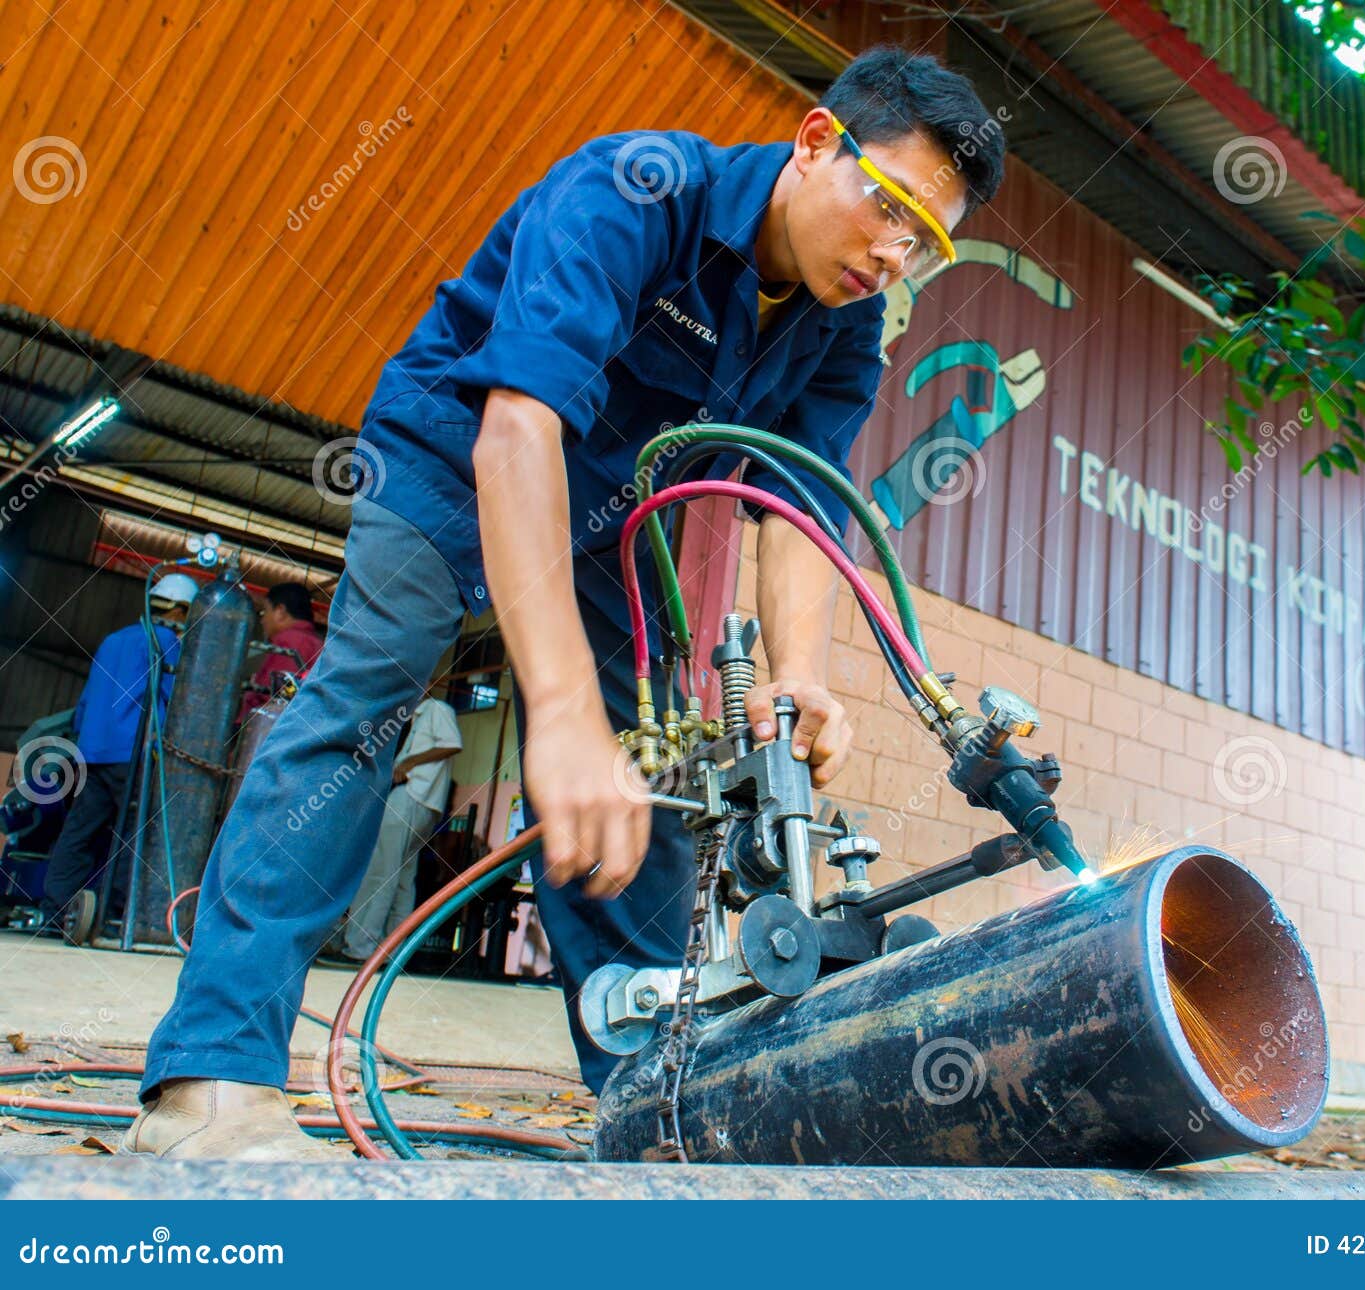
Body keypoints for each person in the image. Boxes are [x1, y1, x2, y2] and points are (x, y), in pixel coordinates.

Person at [122, 46, 1005, 1160]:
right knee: (369, 699)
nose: (893, 253)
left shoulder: (844, 329)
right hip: (453, 456)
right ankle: (210, 1077)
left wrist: (798, 678)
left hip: (607, 522)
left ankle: (661, 1110)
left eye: (924, 241)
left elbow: (792, 507)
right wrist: (559, 712)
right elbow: (517, 431)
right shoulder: (636, 189)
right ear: (817, 141)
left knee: (645, 772)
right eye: (888, 208)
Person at [39, 572, 198, 940]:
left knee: (78, 833)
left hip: (92, 753)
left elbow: (85, 703)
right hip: (133, 755)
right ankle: (114, 916)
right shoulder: (164, 644)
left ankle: (55, 914)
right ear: (177, 609)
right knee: (134, 837)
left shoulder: (114, 640)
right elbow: (177, 704)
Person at [328, 694, 462, 964]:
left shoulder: (436, 709)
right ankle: (393, 950)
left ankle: (361, 947)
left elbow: (451, 744)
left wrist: (407, 764)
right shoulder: (415, 718)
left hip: (412, 796)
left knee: (380, 873)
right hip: (423, 802)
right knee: (402, 879)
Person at [240, 582, 324, 718]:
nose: (262, 620)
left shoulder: (291, 641)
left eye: (265, 611)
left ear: (280, 611)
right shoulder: (315, 643)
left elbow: (281, 699)